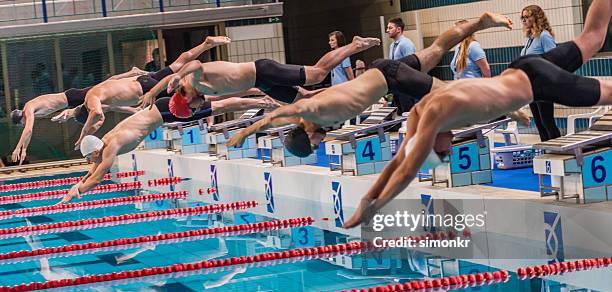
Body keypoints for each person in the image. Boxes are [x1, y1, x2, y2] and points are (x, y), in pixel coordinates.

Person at [343, 0, 612, 229]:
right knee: (594, 37)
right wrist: (368, 200)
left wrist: (374, 207)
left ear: (432, 139)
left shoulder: (435, 115)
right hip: (524, 69)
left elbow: (406, 172)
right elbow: (398, 162)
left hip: (537, 83)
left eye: (442, 152)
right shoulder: (421, 111)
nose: (448, 150)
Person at [225, 12, 513, 157]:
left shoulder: (310, 112)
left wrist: (245, 133)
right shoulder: (315, 113)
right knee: (438, 48)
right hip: (385, 76)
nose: (319, 145)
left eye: (313, 146)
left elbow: (274, 116)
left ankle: (506, 104)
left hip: (389, 77)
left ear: (306, 135)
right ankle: (481, 22)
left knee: (449, 95)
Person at [57, 95, 279, 204]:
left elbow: (96, 178)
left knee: (220, 105)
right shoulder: (103, 142)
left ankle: (260, 101)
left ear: (94, 151)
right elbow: (93, 170)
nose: (90, 161)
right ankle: (258, 98)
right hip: (162, 108)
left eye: (88, 157)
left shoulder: (110, 147)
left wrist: (77, 193)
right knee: (216, 101)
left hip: (168, 112)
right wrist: (77, 185)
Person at [139, 36, 382, 113]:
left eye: (191, 108)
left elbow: (196, 64)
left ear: (185, 99)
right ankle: (350, 89)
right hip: (263, 84)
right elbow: (235, 95)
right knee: (305, 100)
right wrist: (258, 97)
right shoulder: (202, 93)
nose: (195, 109)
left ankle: (354, 45)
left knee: (318, 74)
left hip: (263, 69)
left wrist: (160, 86)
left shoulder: (192, 79)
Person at [74, 36, 231, 150]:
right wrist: (130, 73)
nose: (98, 122)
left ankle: (227, 90)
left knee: (195, 96)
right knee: (179, 63)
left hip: (146, 90)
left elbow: (96, 113)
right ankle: (206, 44)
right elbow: (113, 82)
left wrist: (83, 134)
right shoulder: (97, 91)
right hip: (143, 80)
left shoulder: (91, 100)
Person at [9, 67, 150, 164]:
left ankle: (133, 74)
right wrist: (67, 114)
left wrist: (20, 148)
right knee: (106, 98)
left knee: (107, 87)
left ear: (19, 119)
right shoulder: (30, 107)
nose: (24, 124)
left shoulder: (28, 109)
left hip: (71, 98)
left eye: (21, 123)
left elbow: (28, 130)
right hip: (69, 101)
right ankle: (134, 108)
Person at [521, 5, 559, 141]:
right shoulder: (531, 38)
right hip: (531, 88)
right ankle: (547, 154)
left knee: (547, 122)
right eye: (522, 17)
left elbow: (554, 61)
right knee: (539, 123)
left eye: (527, 17)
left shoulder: (544, 36)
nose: (524, 20)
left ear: (536, 17)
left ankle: (558, 153)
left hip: (543, 87)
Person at [386, 17, 418, 116]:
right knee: (399, 114)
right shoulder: (392, 46)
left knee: (408, 114)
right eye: (387, 28)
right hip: (397, 86)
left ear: (398, 29)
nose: (387, 30)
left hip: (405, 85)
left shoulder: (406, 44)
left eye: (390, 28)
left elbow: (412, 65)